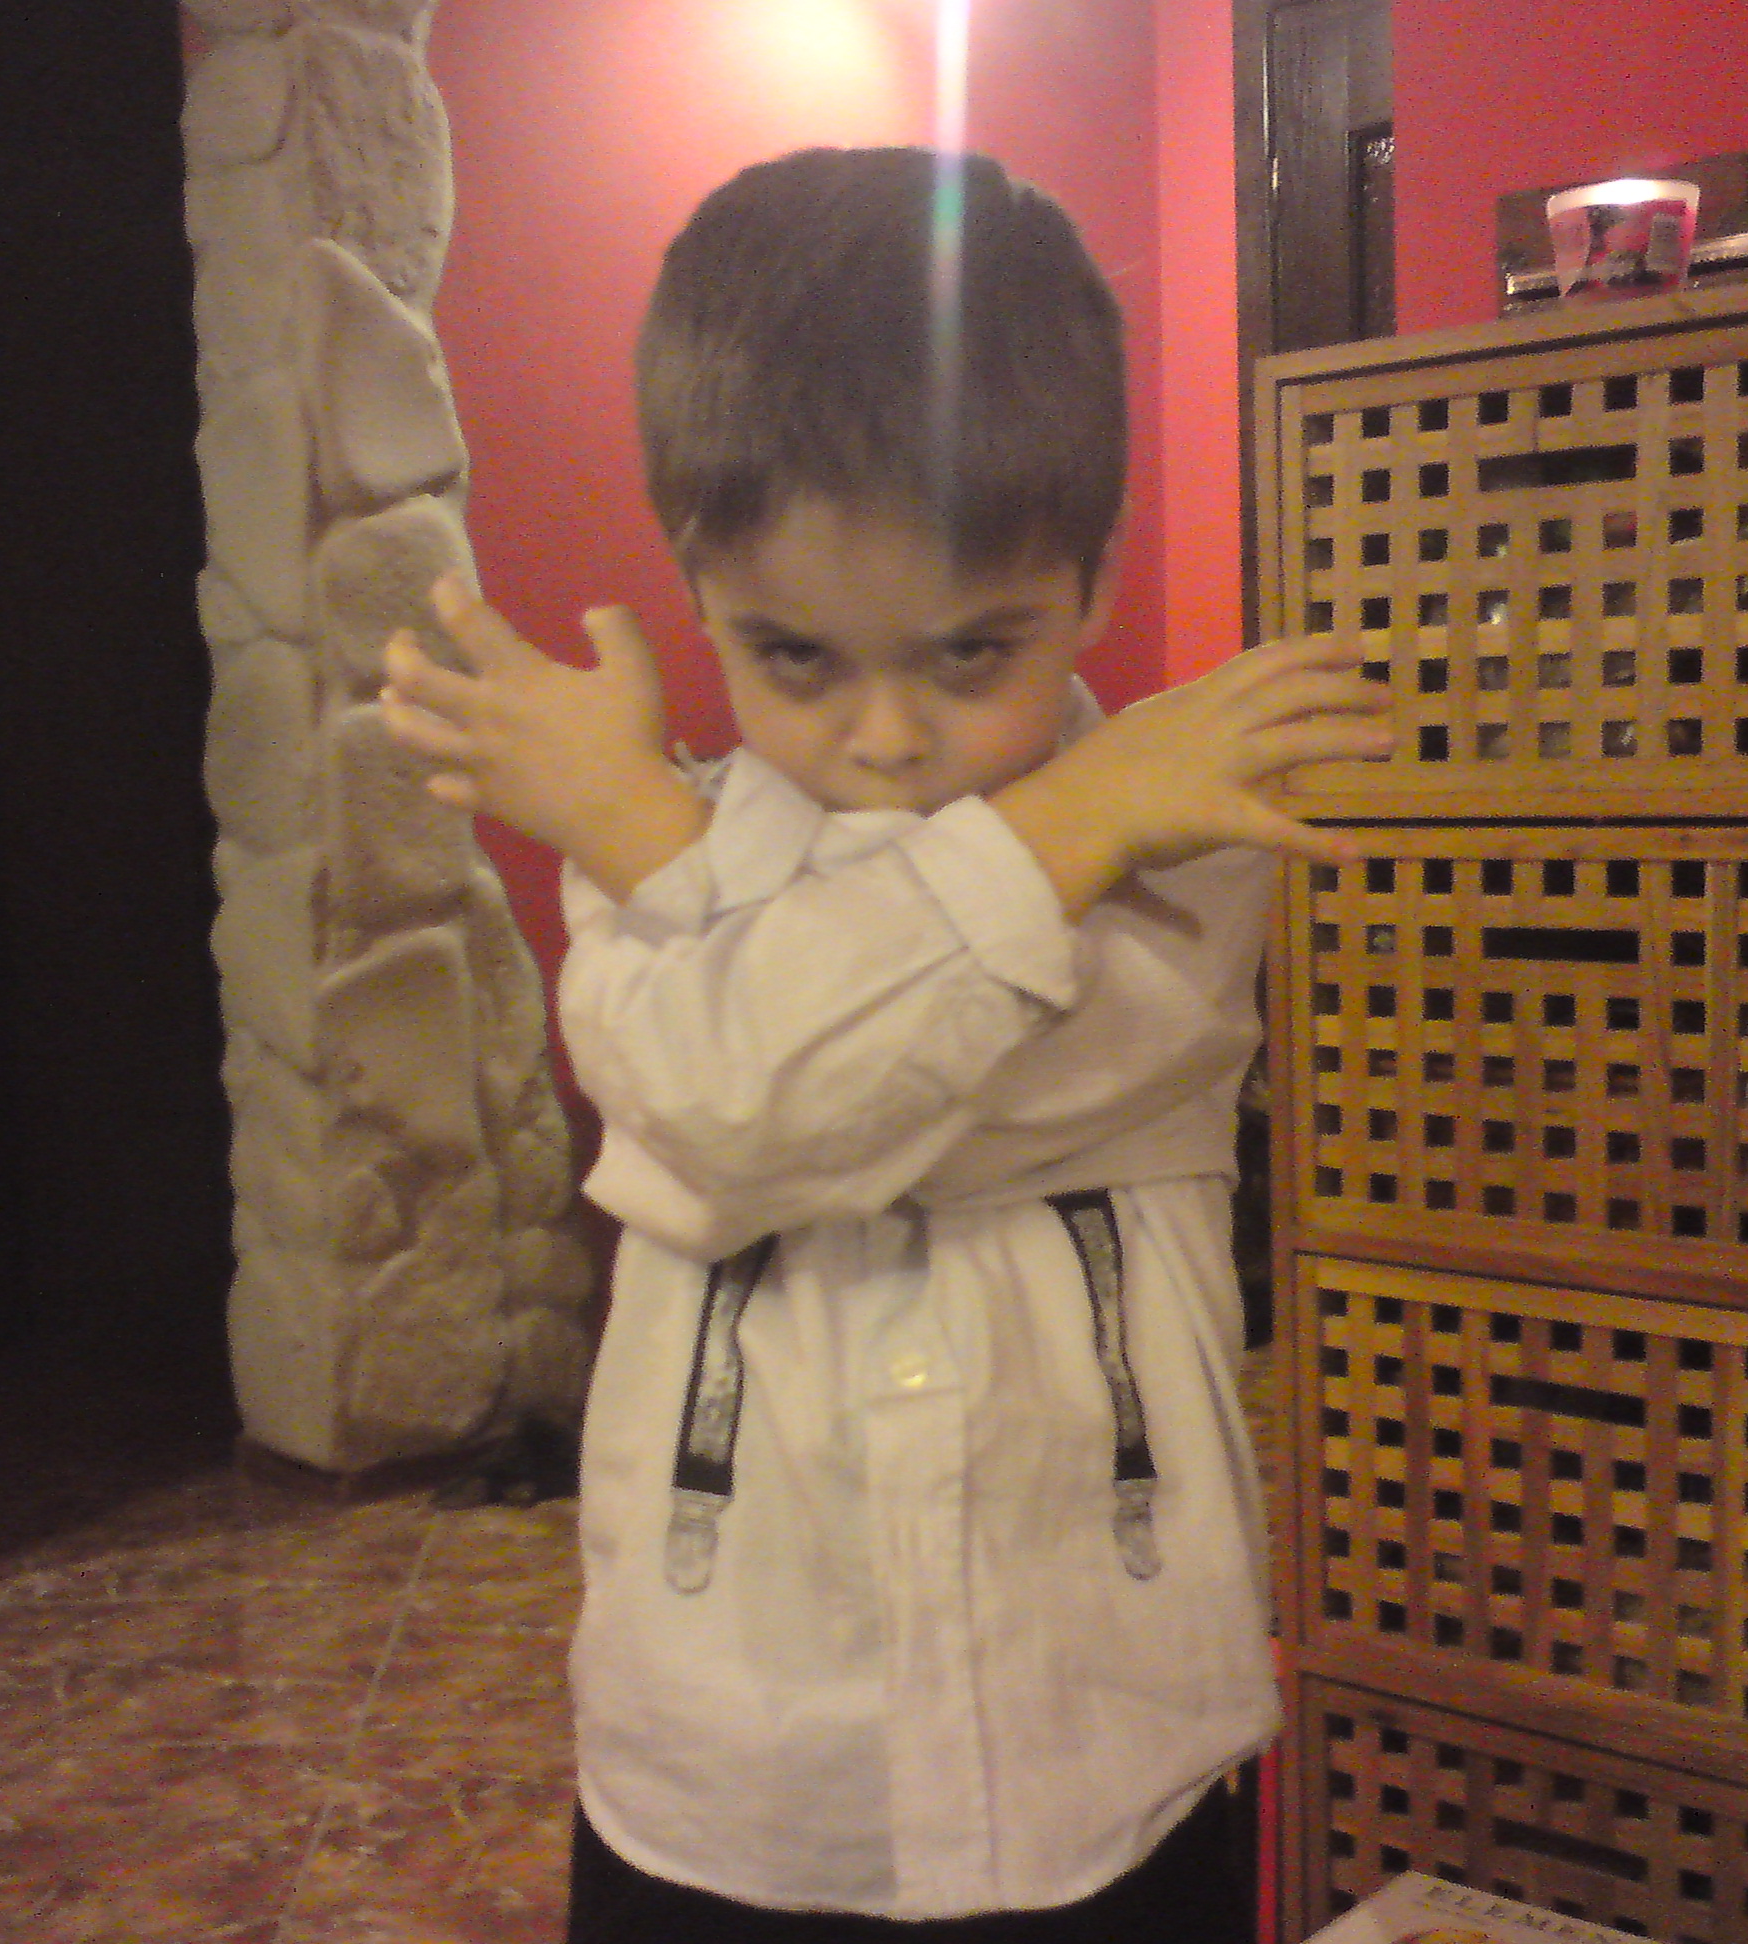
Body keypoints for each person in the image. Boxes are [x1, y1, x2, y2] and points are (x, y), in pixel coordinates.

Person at [379, 145, 1391, 1942]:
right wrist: (681, 851)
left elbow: (767, 1095)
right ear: (700, 589)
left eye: (972, 654)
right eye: (797, 658)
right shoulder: (657, 862)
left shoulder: (1175, 855)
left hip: (1102, 1748)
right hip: (739, 1779)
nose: (888, 739)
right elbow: (736, 1101)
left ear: (1090, 578)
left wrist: (667, 847)